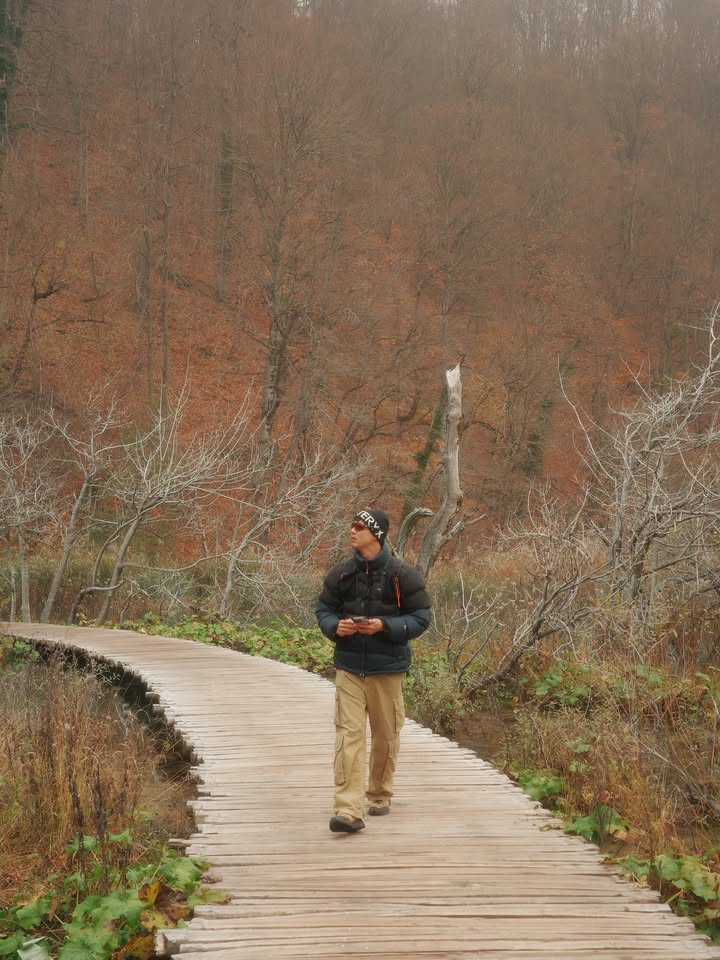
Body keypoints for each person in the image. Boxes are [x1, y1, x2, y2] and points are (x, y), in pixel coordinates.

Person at [316, 508, 432, 833]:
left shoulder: (402, 575)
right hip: (349, 666)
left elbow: (421, 617)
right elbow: (323, 608)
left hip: (388, 668)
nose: (352, 531)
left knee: (385, 736)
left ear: (376, 534)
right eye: (351, 525)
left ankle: (379, 794)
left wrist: (385, 626)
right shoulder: (341, 574)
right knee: (348, 736)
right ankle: (348, 810)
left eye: (359, 527)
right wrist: (334, 627)